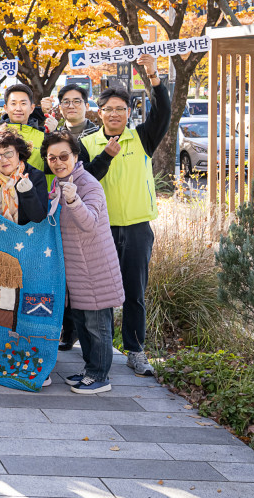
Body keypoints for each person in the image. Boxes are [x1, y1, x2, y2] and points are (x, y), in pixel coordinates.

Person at [81, 53, 169, 377]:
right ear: (99, 112)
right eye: (109, 109)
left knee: (135, 293)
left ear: (128, 112)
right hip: (99, 230)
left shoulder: (142, 138)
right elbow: (83, 177)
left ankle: (135, 350)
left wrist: (154, 76)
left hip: (136, 229)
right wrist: (105, 155)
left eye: (121, 108)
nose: (115, 113)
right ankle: (98, 350)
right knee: (99, 294)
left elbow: (164, 113)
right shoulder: (87, 142)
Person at [42, 130, 124, 394]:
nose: (58, 162)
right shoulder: (59, 183)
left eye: (63, 156)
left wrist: (73, 199)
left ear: (75, 156)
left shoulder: (88, 184)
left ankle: (100, 376)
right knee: (83, 323)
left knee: (97, 326)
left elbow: (89, 222)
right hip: (78, 270)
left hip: (95, 270)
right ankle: (90, 370)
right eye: (52, 158)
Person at [0, 127, 49, 226]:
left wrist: (28, 193)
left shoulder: (36, 176)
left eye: (8, 153)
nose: (4, 160)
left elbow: (39, 218)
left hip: (25, 236)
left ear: (18, 153)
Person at [0, 84, 48, 171]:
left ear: (32, 108)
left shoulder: (43, 136)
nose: (18, 108)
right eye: (13, 103)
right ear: (6, 108)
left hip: (36, 184)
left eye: (23, 103)